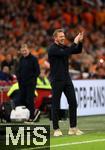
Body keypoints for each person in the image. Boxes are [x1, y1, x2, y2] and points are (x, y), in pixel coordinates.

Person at [48, 29, 84, 136]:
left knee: (73, 102)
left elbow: (78, 51)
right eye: (60, 37)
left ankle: (73, 128)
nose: (63, 38)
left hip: (67, 79)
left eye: (63, 36)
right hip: (56, 80)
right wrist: (74, 42)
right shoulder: (52, 49)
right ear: (55, 38)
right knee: (56, 105)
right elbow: (66, 53)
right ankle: (56, 129)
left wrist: (80, 42)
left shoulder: (64, 47)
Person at [16, 44, 40, 121]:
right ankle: (24, 116)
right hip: (22, 83)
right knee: (22, 99)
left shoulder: (34, 59)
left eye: (25, 50)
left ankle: (31, 116)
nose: (24, 52)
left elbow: (37, 71)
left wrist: (32, 79)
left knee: (30, 100)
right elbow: (18, 70)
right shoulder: (21, 59)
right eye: (22, 51)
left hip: (30, 84)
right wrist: (18, 77)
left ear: (28, 50)